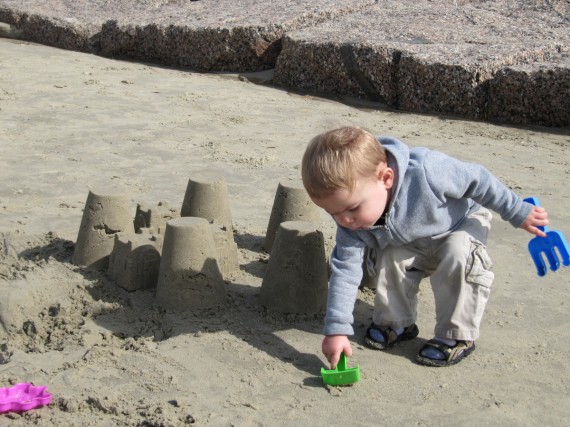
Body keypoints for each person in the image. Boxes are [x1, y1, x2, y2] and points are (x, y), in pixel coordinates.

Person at [301, 125, 549, 368]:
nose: (344, 220)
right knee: (390, 256)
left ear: (386, 178)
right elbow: (345, 271)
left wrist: (517, 211)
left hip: (460, 225)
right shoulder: (351, 225)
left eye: (353, 208)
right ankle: (396, 322)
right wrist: (336, 329)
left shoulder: (427, 171)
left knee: (459, 254)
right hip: (411, 241)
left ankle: (456, 334)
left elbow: (479, 180)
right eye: (332, 213)